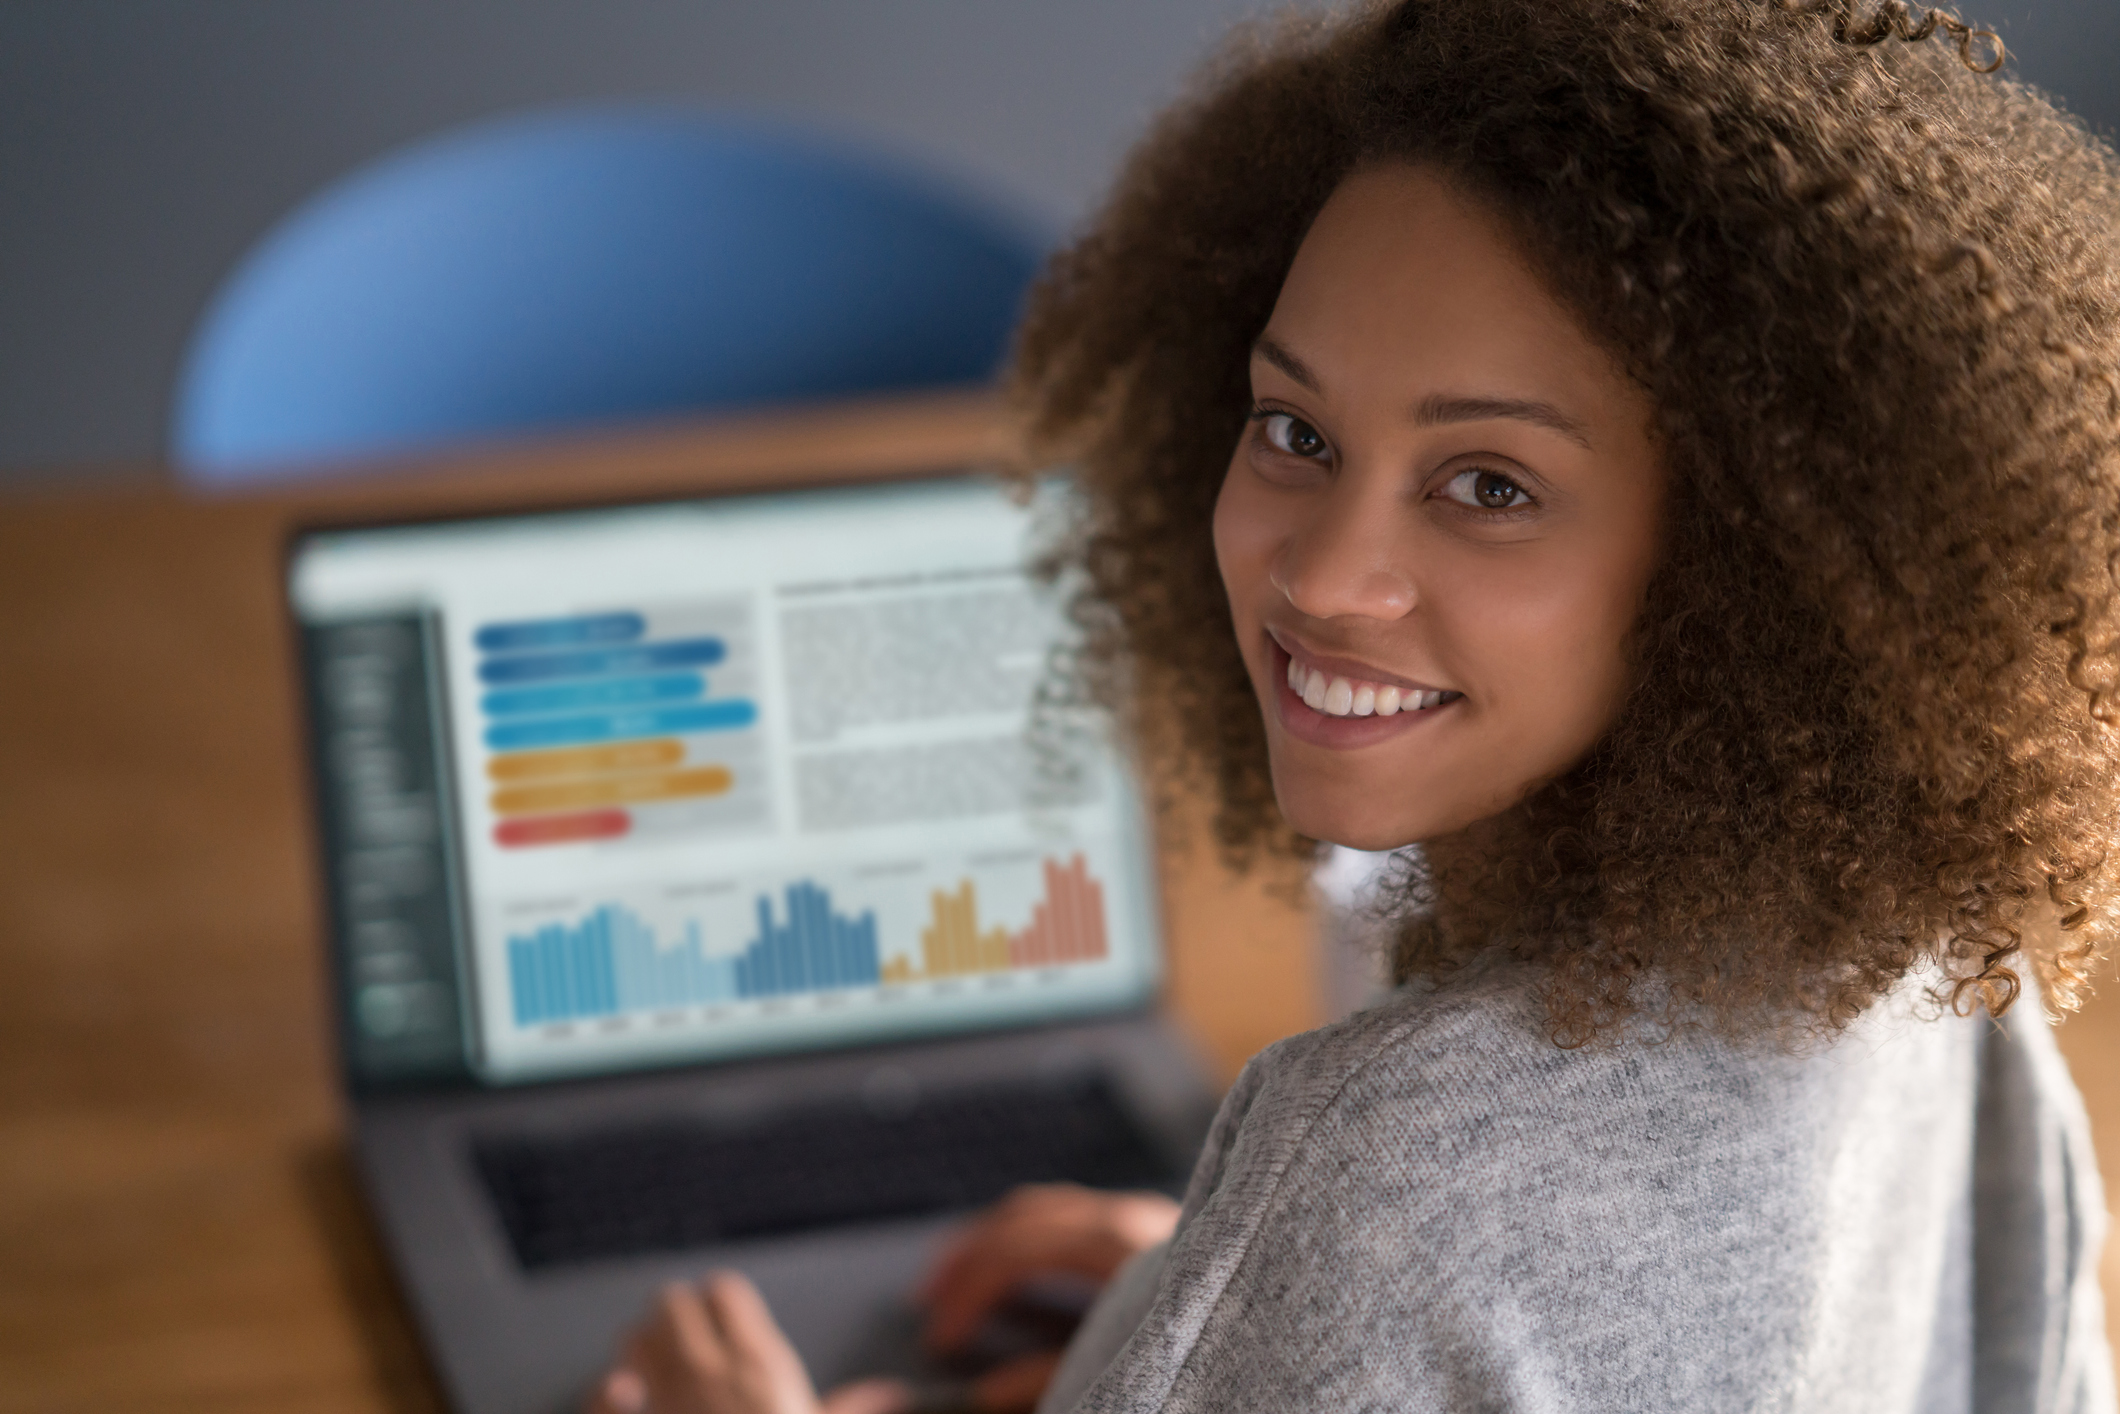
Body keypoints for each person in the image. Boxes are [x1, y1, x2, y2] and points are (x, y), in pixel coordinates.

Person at [590, 0, 2120, 1408]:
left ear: (1748, 567)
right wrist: (1219, 1312)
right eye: (1293, 428)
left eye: (1490, 484)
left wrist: (1308, 1281)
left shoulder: (1382, 1167)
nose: (1326, 575)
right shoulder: (1926, 966)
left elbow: (1451, 1236)